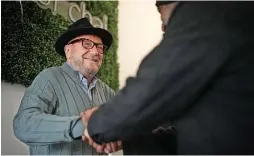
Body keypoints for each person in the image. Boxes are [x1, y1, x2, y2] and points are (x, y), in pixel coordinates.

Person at [82, 1, 254, 154]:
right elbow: (186, 132)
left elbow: (151, 87)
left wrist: (97, 124)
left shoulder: (210, 8)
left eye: (161, 14)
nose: (164, 27)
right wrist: (125, 138)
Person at [13, 17, 121, 155]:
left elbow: (126, 121)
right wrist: (81, 126)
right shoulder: (49, 78)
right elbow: (23, 124)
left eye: (100, 47)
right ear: (68, 50)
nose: (95, 52)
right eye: (87, 44)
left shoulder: (106, 91)